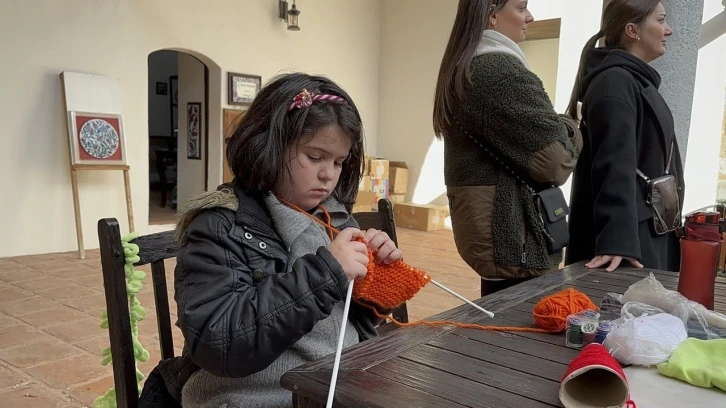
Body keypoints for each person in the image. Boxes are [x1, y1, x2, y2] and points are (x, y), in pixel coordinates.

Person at [138, 73, 402, 407]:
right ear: (270, 147)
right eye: (314, 156)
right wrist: (325, 274)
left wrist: (378, 282)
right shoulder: (220, 226)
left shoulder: (333, 219)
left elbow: (349, 322)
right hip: (252, 396)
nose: (328, 174)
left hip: (331, 386)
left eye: (338, 161)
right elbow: (219, 343)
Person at [432, 0, 582, 296]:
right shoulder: (498, 71)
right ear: (491, 14)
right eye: (521, 7)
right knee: (517, 328)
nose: (530, 16)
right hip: (513, 237)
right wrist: (572, 126)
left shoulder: (471, 64)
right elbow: (557, 161)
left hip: (499, 234)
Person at [565, 0, 684, 272]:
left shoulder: (630, 80)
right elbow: (614, 164)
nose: (669, 30)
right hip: (628, 247)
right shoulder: (615, 82)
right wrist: (617, 241)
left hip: (646, 230)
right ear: (633, 30)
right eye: (661, 20)